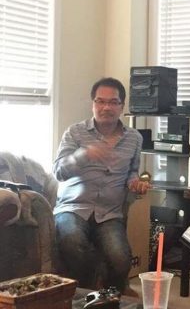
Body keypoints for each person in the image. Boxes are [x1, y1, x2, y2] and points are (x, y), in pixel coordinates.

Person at [53, 77, 150, 293]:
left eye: (113, 102)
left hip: (109, 213)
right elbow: (58, 171)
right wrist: (83, 155)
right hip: (73, 207)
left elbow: (132, 172)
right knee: (71, 240)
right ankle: (87, 292)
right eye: (101, 101)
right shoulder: (75, 133)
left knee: (121, 258)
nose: (106, 107)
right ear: (93, 104)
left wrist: (135, 183)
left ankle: (111, 297)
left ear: (121, 106)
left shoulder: (134, 138)